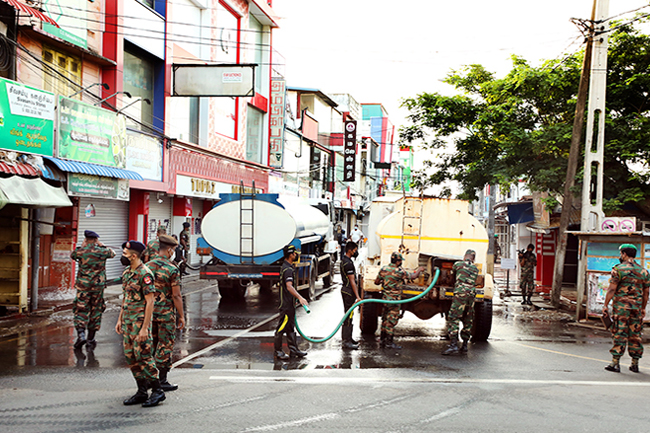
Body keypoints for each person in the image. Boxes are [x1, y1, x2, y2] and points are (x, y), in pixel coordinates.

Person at [115, 240, 165, 408]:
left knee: (144, 357)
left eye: (125, 254)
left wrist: (145, 328)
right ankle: (141, 391)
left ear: (134, 256)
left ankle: (157, 391)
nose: (123, 257)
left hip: (140, 324)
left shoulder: (145, 274)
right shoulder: (127, 273)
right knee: (131, 357)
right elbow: (126, 298)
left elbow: (150, 303)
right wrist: (120, 319)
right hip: (128, 322)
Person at [146, 234, 185, 391]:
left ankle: (150, 379)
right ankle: (162, 380)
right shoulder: (171, 268)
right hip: (165, 314)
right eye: (174, 250)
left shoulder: (147, 266)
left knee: (151, 345)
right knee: (165, 345)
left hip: (149, 314)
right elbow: (176, 295)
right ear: (169, 250)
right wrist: (181, 315)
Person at [602, 244, 650, 373]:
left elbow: (612, 289)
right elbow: (646, 293)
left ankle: (615, 363)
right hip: (637, 308)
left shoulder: (618, 269)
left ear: (623, 254)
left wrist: (605, 305)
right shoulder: (643, 271)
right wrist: (643, 308)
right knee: (635, 334)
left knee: (619, 332)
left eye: (621, 253)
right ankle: (635, 363)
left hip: (621, 308)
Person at [70, 230, 115, 350]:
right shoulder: (103, 251)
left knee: (81, 309)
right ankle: (91, 339)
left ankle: (81, 335)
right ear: (96, 239)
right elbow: (113, 253)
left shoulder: (80, 251)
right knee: (96, 310)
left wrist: (84, 245)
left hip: (83, 286)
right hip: (98, 287)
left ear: (85, 239)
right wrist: (101, 245)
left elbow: (73, 255)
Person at [374, 251, 424, 349]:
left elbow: (376, 282)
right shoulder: (400, 272)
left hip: (385, 299)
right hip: (395, 300)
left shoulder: (383, 269)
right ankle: (389, 342)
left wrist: (385, 281)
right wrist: (419, 270)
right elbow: (413, 276)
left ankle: (383, 340)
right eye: (400, 261)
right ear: (397, 261)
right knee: (391, 320)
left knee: (384, 318)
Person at [274, 244, 310, 360]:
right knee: (282, 327)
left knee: (290, 327)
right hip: (285, 305)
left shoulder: (286, 266)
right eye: (294, 253)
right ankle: (278, 351)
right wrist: (300, 298)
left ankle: (294, 351)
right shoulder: (287, 269)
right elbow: (289, 287)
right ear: (290, 254)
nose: (296, 255)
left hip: (289, 303)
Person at [442, 249, 480, 356]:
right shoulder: (475, 269)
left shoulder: (458, 264)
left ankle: (453, 345)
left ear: (465, 256)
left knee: (454, 317)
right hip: (471, 294)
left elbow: (453, 277)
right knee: (468, 317)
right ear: (473, 258)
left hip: (460, 293)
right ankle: (464, 345)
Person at [340, 241, 362, 350]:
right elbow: (352, 281)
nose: (356, 252)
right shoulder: (347, 263)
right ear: (350, 250)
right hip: (348, 291)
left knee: (350, 315)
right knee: (348, 316)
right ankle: (346, 341)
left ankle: (349, 338)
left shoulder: (345, 261)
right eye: (355, 250)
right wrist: (358, 297)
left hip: (347, 291)